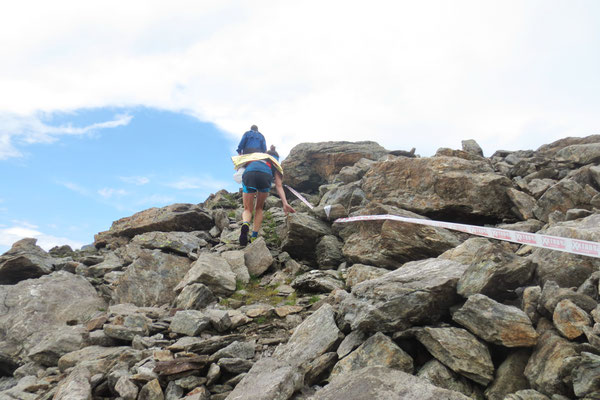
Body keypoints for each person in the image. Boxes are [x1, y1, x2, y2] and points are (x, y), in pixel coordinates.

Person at [239, 145, 295, 246]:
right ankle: (254, 236)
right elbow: (278, 185)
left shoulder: (255, 157)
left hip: (249, 174)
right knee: (259, 208)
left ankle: (245, 224)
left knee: (247, 209)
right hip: (265, 176)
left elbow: (241, 168)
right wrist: (285, 203)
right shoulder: (275, 163)